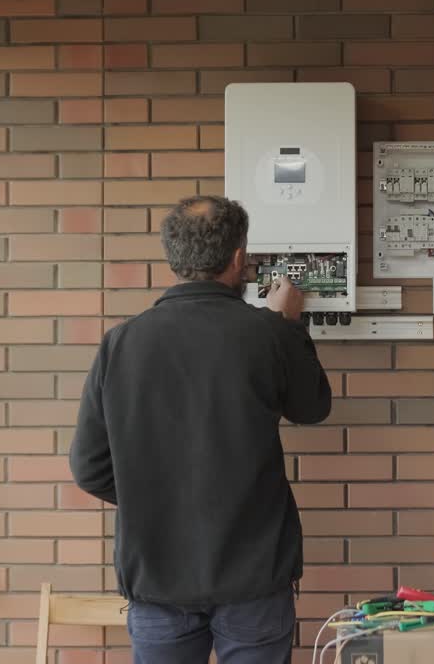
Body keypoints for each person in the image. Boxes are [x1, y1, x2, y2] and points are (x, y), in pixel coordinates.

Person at [70, 195, 333, 664]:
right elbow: (312, 408)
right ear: (238, 258)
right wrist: (290, 323)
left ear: (174, 260)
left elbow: (89, 467)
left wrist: (163, 499)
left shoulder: (121, 343)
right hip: (255, 577)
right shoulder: (268, 333)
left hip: (158, 580)